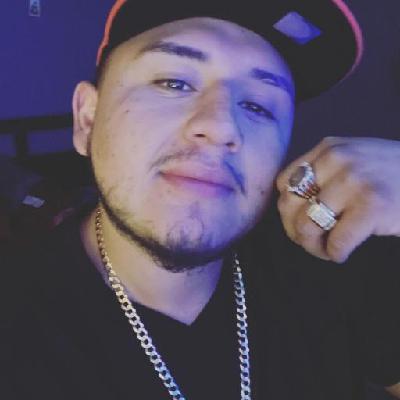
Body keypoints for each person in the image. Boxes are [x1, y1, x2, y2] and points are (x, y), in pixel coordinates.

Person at [2, 1, 400, 399]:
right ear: (87, 120)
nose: (221, 126)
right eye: (173, 83)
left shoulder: (333, 258)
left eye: (258, 106)